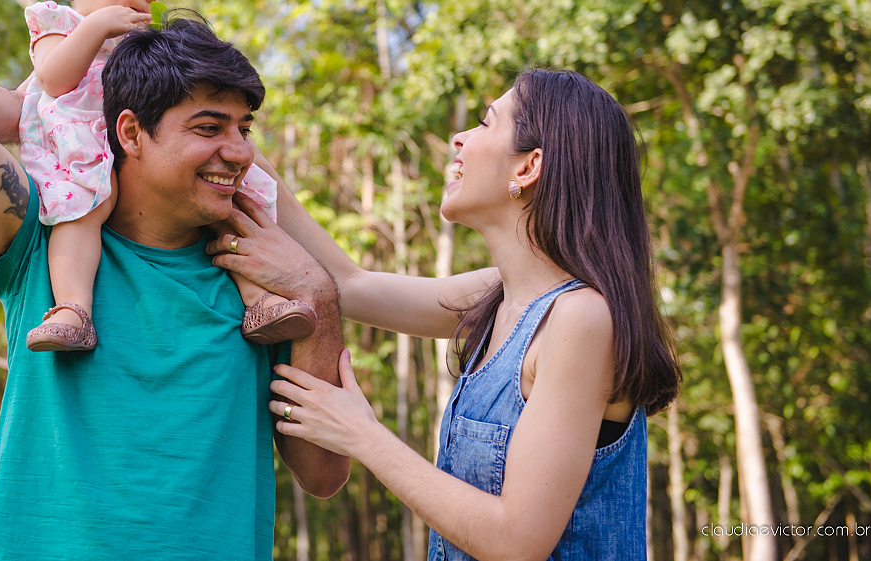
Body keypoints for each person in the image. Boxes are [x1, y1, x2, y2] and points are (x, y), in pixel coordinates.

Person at [0, 13, 349, 559]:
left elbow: (324, 474)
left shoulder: (263, 284)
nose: (241, 152)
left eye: (243, 129)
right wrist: (63, 96)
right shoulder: (42, 244)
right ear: (130, 132)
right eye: (209, 128)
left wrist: (317, 295)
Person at [210, 68, 681, 561]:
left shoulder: (581, 320)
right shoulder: (496, 295)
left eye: (484, 122)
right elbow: (350, 284)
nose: (459, 137)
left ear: (527, 168)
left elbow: (516, 542)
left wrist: (363, 434)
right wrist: (241, 148)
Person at [17, 0, 317, 352]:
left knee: (232, 207)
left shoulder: (139, 39)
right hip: (82, 143)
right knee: (84, 209)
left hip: (142, 148)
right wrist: (96, 27)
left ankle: (260, 300)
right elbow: (55, 79)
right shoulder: (60, 23)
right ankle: (72, 309)